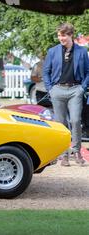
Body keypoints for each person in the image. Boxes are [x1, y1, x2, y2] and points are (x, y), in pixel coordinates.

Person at [43, 22, 88, 166]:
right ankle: (64, 154)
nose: (60, 38)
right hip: (57, 90)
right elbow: (46, 72)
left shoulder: (81, 51)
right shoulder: (52, 51)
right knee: (61, 123)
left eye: (63, 35)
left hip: (75, 90)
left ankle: (76, 151)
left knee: (75, 121)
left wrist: (83, 87)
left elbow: (88, 72)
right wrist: (50, 88)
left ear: (70, 35)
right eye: (59, 35)